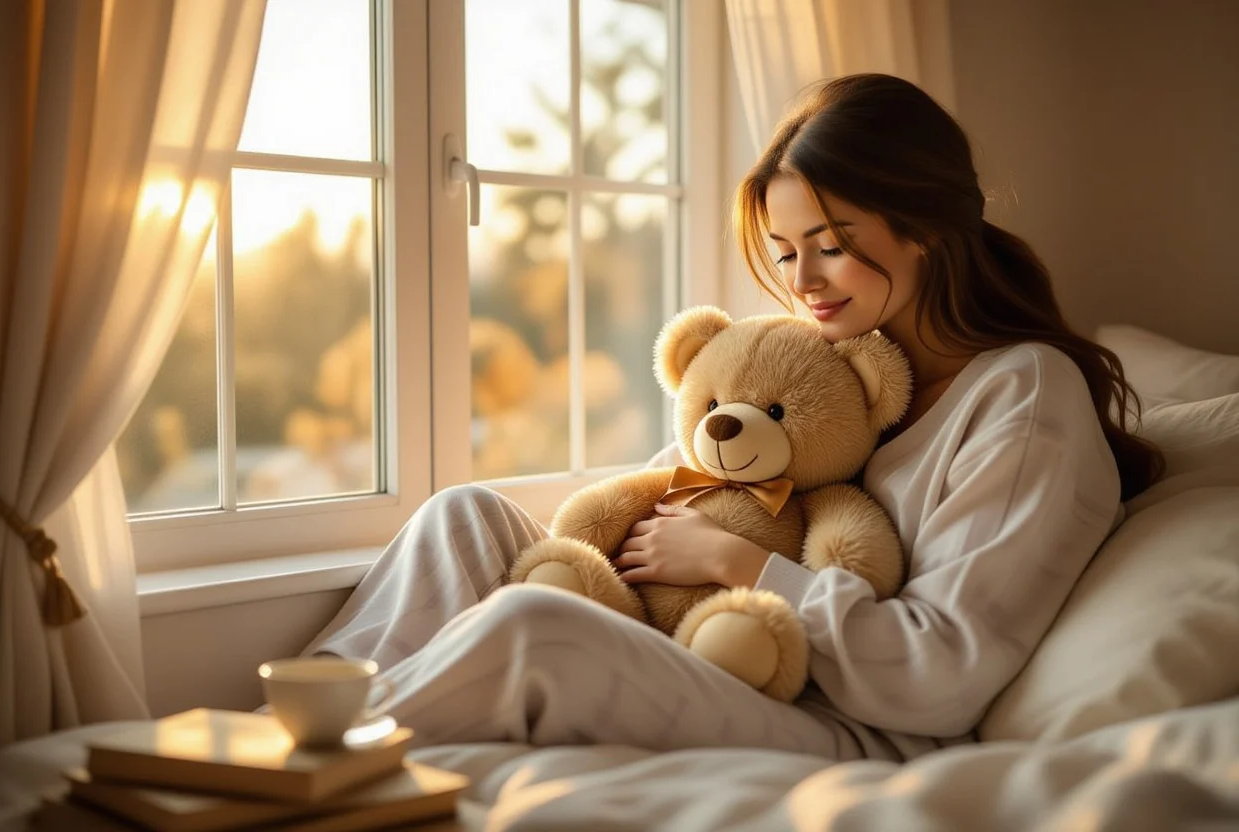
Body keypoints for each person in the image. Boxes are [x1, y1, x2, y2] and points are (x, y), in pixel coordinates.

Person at [299, 74, 1163, 763]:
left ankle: (311, 762)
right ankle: (297, 719)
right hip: (712, 648)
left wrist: (733, 558)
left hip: (860, 726)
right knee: (466, 516)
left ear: (927, 227)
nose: (804, 281)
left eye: (831, 243)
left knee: (536, 632)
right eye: (788, 253)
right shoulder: (836, 360)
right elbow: (692, 489)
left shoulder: (1023, 394)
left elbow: (937, 674)